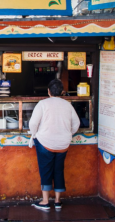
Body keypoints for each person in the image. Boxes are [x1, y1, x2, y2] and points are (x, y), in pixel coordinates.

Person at [29, 79, 80, 211]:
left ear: (48, 91)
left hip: (45, 142)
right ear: (62, 92)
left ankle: (45, 201)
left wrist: (34, 134)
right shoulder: (68, 105)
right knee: (58, 170)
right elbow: (76, 124)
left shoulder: (43, 104)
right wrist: (68, 133)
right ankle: (57, 201)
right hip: (63, 144)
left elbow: (33, 124)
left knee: (46, 170)